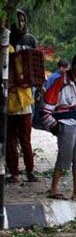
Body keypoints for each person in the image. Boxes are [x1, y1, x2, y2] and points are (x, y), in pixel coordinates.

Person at [41, 53, 76, 200]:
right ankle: (53, 189)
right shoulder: (60, 82)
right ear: (75, 67)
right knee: (63, 159)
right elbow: (46, 108)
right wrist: (54, 125)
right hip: (65, 125)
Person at [6, 43, 39, 184]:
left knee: (20, 141)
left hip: (21, 105)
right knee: (15, 141)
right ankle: (19, 172)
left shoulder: (21, 61)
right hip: (13, 105)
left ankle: (25, 172)